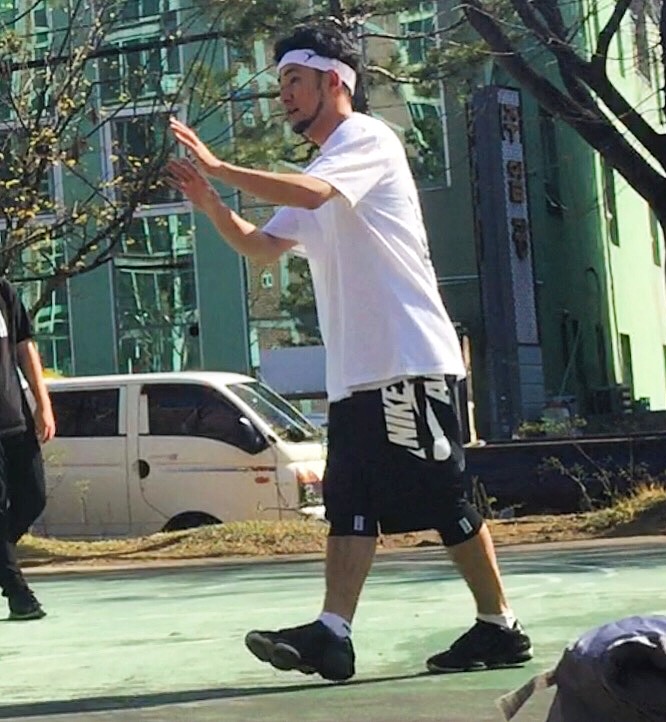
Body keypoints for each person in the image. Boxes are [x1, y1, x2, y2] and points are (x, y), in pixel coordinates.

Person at [167, 23, 532, 681]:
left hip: (409, 360)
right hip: (358, 374)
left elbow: (311, 195)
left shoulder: (366, 140)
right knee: (350, 503)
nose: (283, 95)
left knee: (443, 498)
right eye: (280, 83)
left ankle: (500, 626)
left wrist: (221, 166)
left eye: (294, 80)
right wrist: (212, 201)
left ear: (335, 81)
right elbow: (260, 247)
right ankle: (332, 635)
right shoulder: (321, 170)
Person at [0, 277, 55, 620]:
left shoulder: (3, 291)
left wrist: (42, 404)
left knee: (33, 498)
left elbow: (24, 347)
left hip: (15, 418)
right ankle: (20, 596)